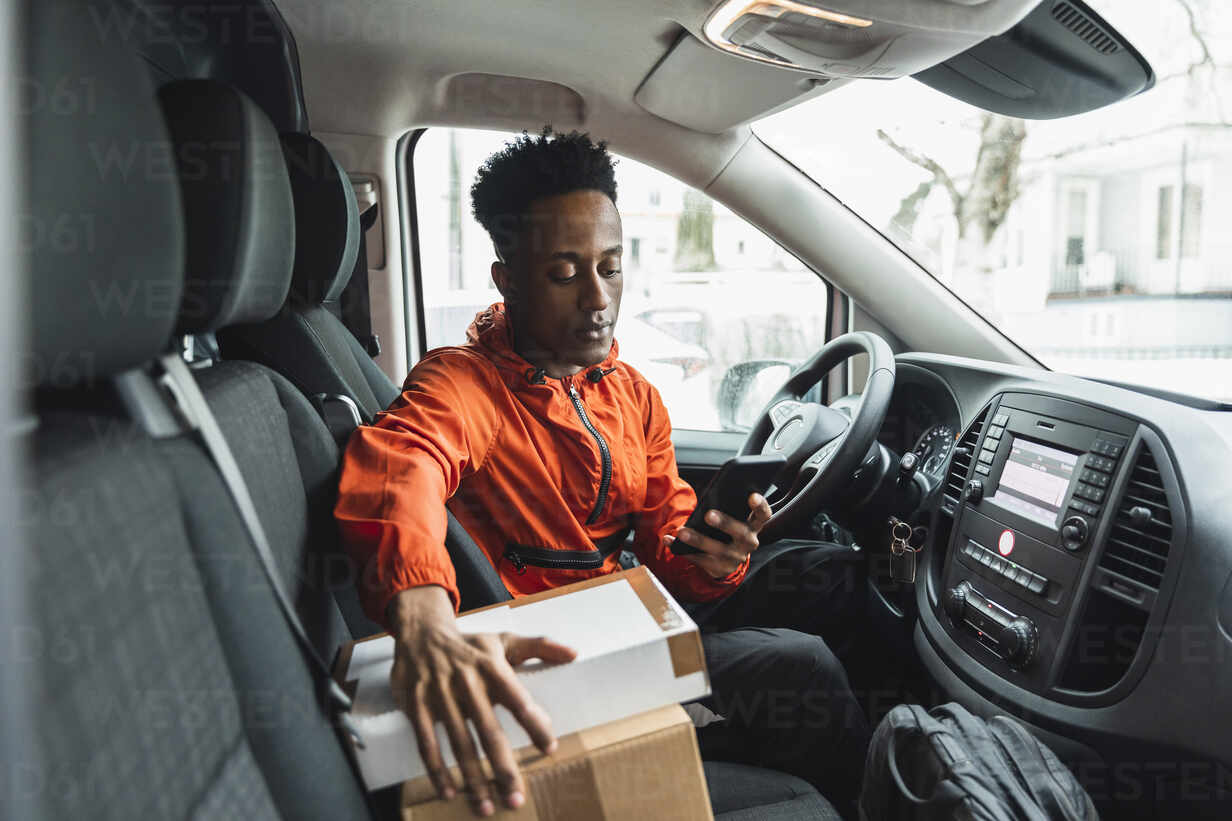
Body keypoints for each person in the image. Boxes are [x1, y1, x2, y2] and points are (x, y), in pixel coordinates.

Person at [335, 128, 870, 817]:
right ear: (509, 281)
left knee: (827, 599)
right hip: (547, 663)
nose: (597, 297)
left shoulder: (633, 394)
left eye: (610, 268)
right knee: (805, 667)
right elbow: (399, 465)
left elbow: (668, 544)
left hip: (627, 623)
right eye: (564, 274)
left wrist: (717, 554)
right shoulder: (464, 383)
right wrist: (424, 615)